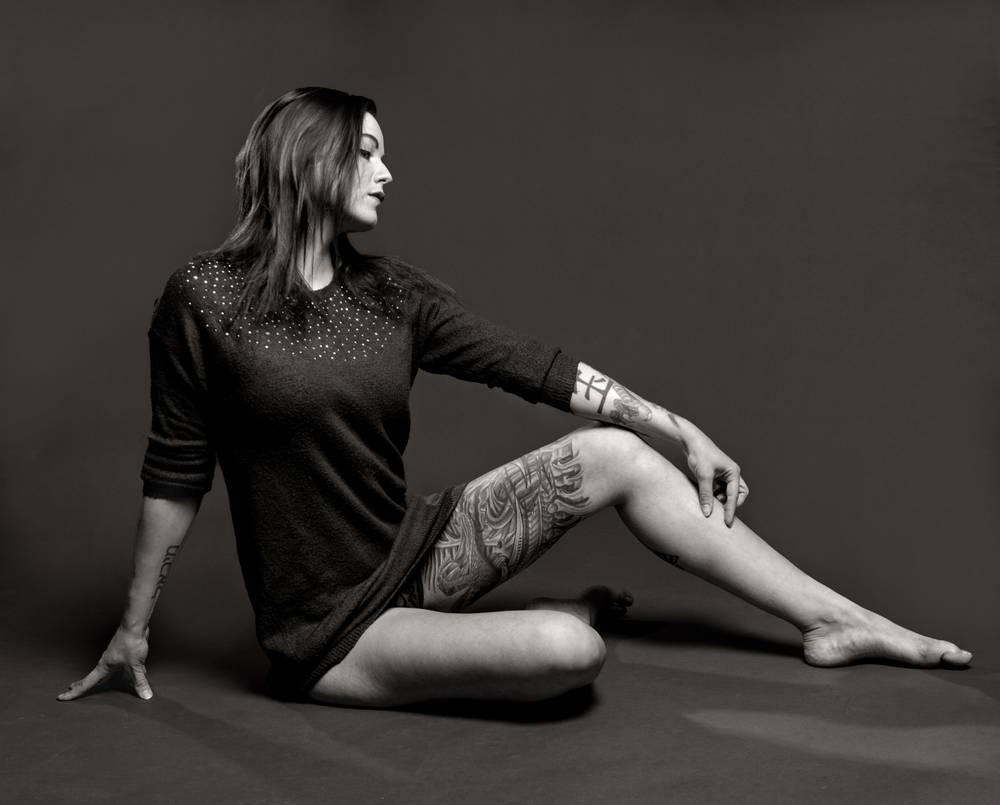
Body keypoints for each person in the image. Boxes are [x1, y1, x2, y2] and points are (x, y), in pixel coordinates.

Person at [57, 87, 973, 708]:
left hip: (417, 553)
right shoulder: (204, 298)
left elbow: (532, 365)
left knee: (619, 454)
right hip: (329, 630)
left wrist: (679, 427)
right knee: (570, 653)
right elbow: (176, 472)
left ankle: (834, 618)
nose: (386, 173)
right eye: (367, 152)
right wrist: (133, 629)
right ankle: (568, 614)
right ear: (310, 158)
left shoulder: (392, 294)